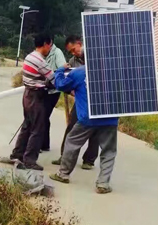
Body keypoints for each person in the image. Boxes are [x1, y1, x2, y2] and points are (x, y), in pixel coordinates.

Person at [49, 64, 118, 194]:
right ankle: (103, 183)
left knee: (72, 142)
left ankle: (63, 174)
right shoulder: (115, 71)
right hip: (110, 118)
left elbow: (61, 85)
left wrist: (59, 71)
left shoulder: (79, 73)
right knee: (109, 151)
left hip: (88, 118)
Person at [5, 34, 54, 171]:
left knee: (27, 126)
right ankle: (29, 160)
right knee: (38, 129)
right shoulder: (41, 61)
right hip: (36, 96)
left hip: (27, 95)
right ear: (45, 44)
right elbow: (53, 79)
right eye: (50, 45)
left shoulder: (29, 56)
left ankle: (17, 154)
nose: (49, 48)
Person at [52, 35, 99, 170]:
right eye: (70, 52)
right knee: (72, 127)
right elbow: (67, 81)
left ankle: (89, 160)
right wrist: (70, 91)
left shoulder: (94, 55)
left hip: (97, 99)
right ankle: (64, 156)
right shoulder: (72, 62)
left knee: (95, 130)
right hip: (81, 100)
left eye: (74, 49)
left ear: (79, 43)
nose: (73, 53)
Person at [42, 38, 66, 151]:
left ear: (49, 43)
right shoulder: (43, 52)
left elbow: (63, 68)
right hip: (42, 89)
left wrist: (52, 78)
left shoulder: (57, 53)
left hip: (53, 91)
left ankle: (42, 144)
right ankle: (44, 144)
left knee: (43, 115)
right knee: (41, 116)